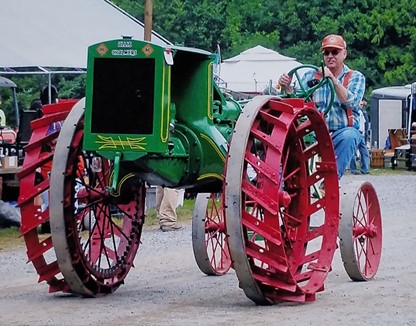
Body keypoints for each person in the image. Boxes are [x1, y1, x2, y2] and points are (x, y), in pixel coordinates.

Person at [279, 34, 366, 180]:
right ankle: (288, 185)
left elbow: (351, 101)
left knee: (350, 136)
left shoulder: (355, 77)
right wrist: (287, 88)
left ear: (344, 54)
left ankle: (329, 182)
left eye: (335, 52)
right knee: (288, 138)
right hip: (314, 133)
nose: (330, 56)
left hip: (341, 132)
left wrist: (333, 80)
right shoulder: (311, 75)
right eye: (326, 52)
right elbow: (297, 103)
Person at [350, 98, 370, 174]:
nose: (361, 106)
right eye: (361, 104)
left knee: (364, 151)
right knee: (353, 152)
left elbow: (364, 125)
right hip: (355, 131)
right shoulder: (353, 112)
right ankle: (353, 169)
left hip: (361, 134)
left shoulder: (361, 113)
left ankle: (365, 169)